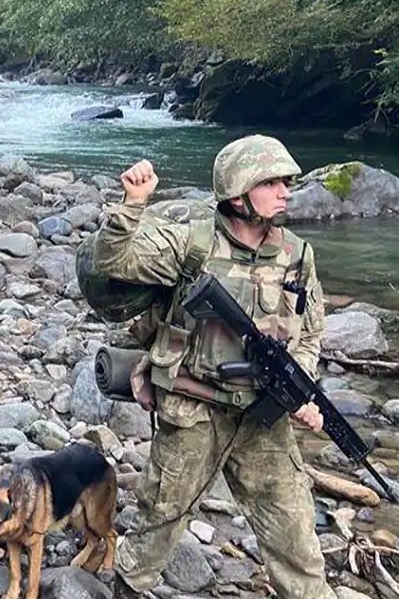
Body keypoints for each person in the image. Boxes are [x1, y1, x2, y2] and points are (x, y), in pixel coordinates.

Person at [94, 135, 334, 599]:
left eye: (286, 182)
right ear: (239, 191)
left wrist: (299, 388)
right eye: (272, 182)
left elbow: (309, 332)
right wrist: (132, 205)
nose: (285, 190)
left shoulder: (297, 256)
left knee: (295, 533)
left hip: (262, 416)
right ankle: (126, 589)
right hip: (193, 407)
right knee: (159, 519)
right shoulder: (192, 242)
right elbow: (114, 261)